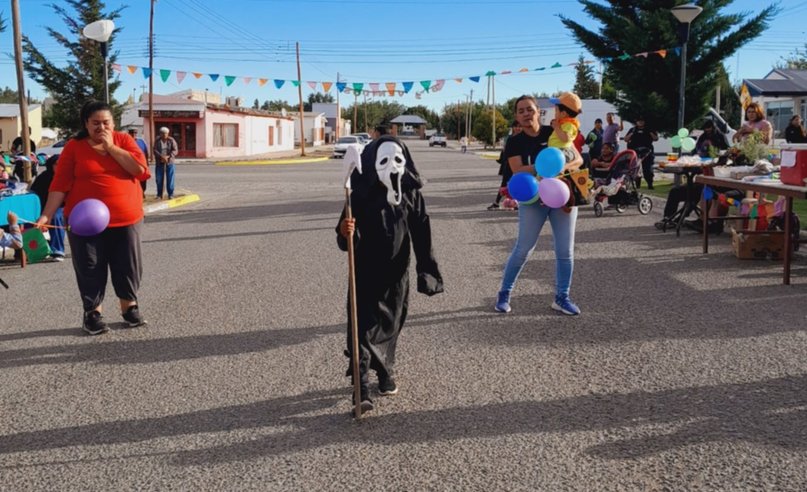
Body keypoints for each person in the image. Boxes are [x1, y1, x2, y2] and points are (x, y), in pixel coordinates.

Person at [336, 135, 443, 411]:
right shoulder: (359, 195)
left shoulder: (411, 195)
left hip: (397, 273)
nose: (392, 167)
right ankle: (360, 389)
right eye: (384, 160)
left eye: (398, 160)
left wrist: (426, 271)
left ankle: (385, 371)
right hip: (364, 270)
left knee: (391, 324)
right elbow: (343, 237)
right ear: (372, 163)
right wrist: (345, 231)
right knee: (361, 327)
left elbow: (422, 233)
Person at [34, 100, 150, 335]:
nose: (101, 127)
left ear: (113, 123)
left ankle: (129, 307)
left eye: (106, 122)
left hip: (125, 218)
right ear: (85, 124)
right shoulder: (73, 148)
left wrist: (112, 148)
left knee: (127, 265)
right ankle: (93, 313)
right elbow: (59, 185)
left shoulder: (124, 141)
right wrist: (46, 215)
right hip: (83, 221)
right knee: (90, 265)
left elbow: (140, 170)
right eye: (95, 123)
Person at [494, 95, 583, 316]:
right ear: (516, 116)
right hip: (532, 200)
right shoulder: (514, 141)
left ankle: (562, 297)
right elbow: (517, 170)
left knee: (565, 251)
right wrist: (542, 167)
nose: (526, 114)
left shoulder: (554, 132)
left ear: (538, 112)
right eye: (521, 110)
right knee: (523, 248)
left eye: (530, 109)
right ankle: (504, 293)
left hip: (561, 196)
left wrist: (561, 168)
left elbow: (579, 160)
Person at [29, 154, 65, 261]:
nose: (59, 166)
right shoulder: (43, 178)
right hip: (43, 206)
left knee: (55, 216)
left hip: (63, 206)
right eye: (57, 164)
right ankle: (37, 250)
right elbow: (34, 194)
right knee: (31, 218)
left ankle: (57, 250)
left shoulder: (67, 176)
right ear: (51, 165)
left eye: (62, 164)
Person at [488, 121, 522, 210]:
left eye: (520, 126)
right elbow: (505, 152)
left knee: (520, 184)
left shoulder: (524, 138)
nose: (518, 128)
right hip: (509, 164)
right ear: (513, 128)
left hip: (521, 165)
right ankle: (496, 203)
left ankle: (517, 203)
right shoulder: (509, 138)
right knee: (504, 184)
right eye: (516, 126)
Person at [547, 91, 583, 164]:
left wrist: (557, 127)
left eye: (556, 110)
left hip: (562, 151)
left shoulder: (569, 125)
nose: (555, 113)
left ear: (563, 113)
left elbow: (565, 138)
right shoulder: (563, 124)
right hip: (557, 151)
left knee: (554, 165)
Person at [623, 116, 659, 189]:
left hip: (647, 152)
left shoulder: (649, 129)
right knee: (636, 169)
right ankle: (637, 185)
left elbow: (656, 138)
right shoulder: (632, 129)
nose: (640, 122)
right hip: (635, 152)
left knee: (648, 169)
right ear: (636, 122)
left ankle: (650, 184)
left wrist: (650, 133)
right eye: (639, 121)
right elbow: (626, 139)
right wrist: (631, 134)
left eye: (642, 121)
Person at [153, 127, 178, 199]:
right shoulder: (157, 141)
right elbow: (155, 150)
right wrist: (161, 157)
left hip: (169, 162)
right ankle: (159, 194)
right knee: (159, 179)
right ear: (160, 134)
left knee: (170, 179)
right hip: (159, 162)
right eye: (162, 133)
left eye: (166, 133)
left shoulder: (171, 140)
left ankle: (171, 194)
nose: (164, 135)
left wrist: (168, 156)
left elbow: (175, 150)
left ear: (168, 134)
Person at [128, 128, 149, 197]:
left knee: (143, 180)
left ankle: (142, 192)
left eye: (135, 133)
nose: (134, 135)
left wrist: (146, 163)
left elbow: (146, 152)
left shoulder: (141, 142)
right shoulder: (126, 142)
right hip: (131, 164)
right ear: (129, 134)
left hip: (141, 164)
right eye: (132, 133)